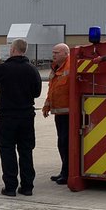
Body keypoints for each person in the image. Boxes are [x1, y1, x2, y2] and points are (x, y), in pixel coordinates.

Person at [0, 38, 42, 196]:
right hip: (26, 116)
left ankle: (10, 187)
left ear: (14, 50)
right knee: (26, 151)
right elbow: (37, 92)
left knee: (7, 150)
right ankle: (27, 186)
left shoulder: (4, 68)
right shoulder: (32, 69)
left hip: (7, 116)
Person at [42, 42, 71, 184]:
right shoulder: (56, 68)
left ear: (66, 54)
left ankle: (67, 173)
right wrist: (47, 104)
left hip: (69, 114)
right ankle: (64, 171)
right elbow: (53, 88)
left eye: (57, 53)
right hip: (59, 113)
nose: (53, 55)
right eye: (53, 52)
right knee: (62, 143)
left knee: (66, 143)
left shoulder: (71, 67)